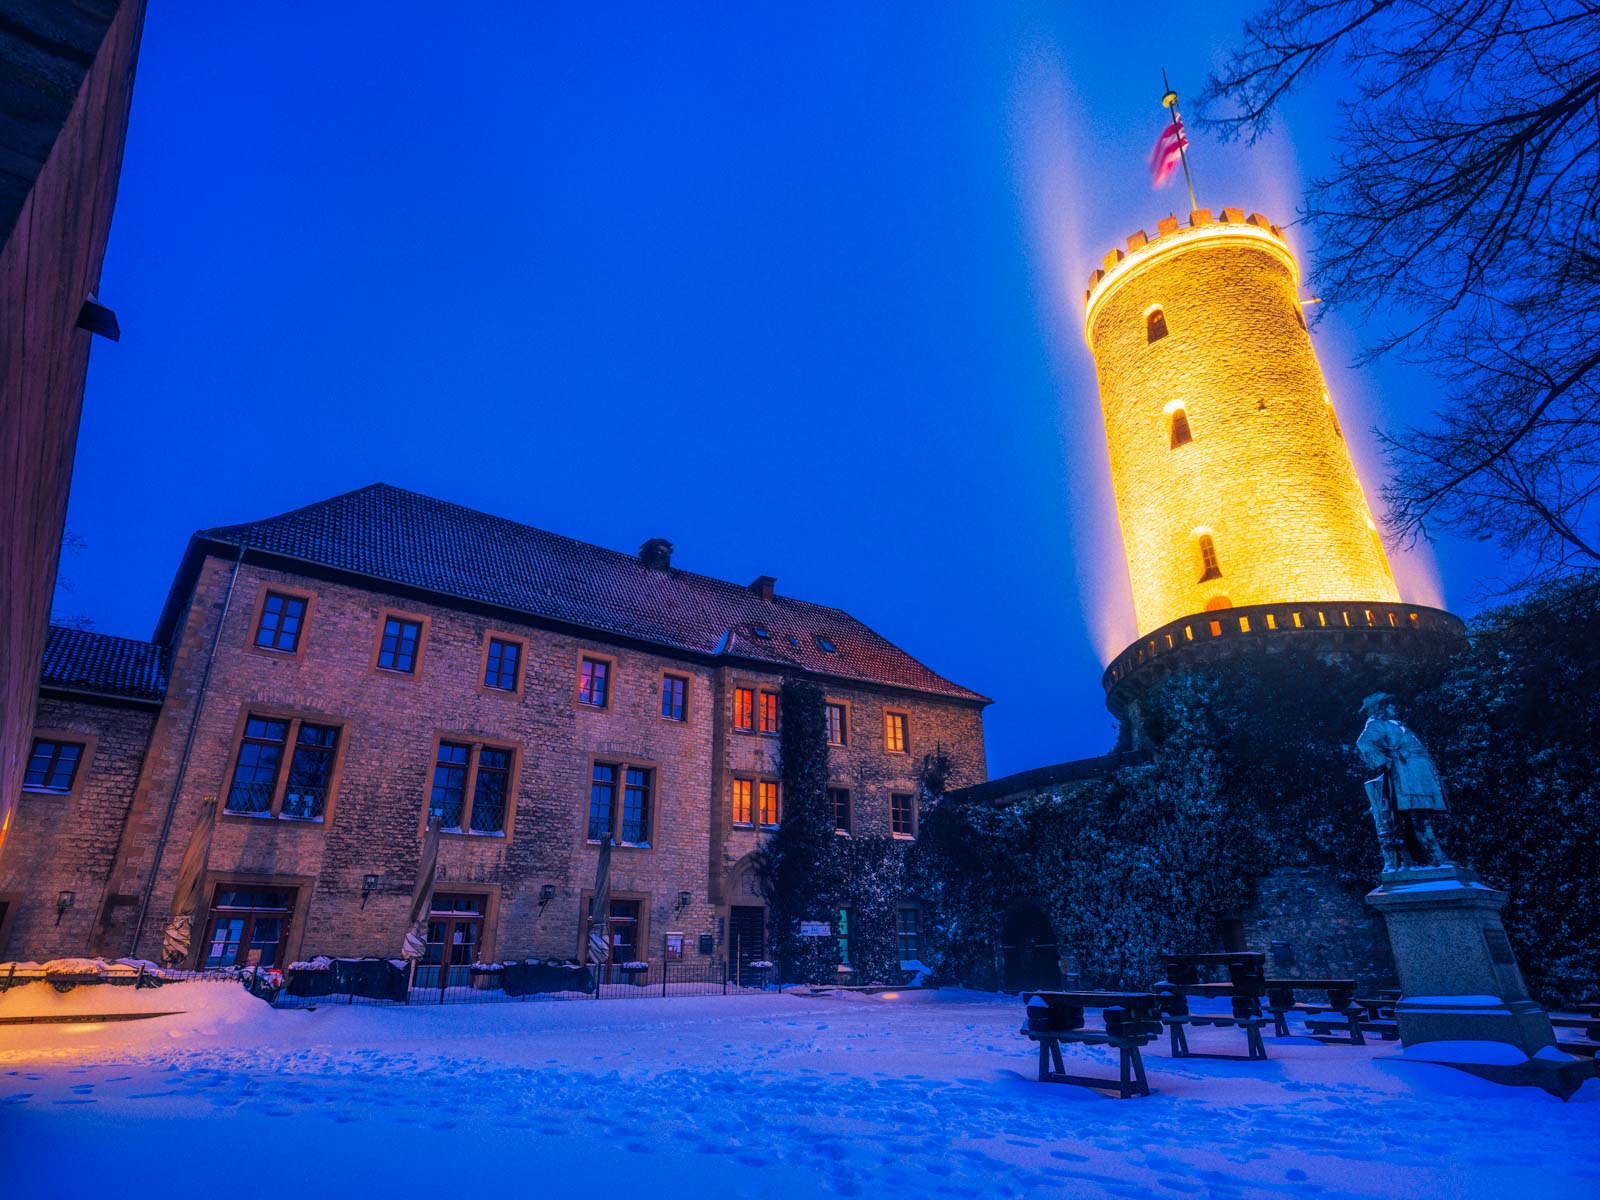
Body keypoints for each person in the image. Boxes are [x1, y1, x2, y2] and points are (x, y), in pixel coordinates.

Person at [1355, 693, 1450, 871]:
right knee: (1417, 814)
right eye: (1389, 705)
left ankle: (1428, 857)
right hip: (1405, 775)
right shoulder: (1376, 724)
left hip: (1418, 773)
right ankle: (1435, 857)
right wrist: (1383, 761)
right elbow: (1363, 743)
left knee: (1422, 814)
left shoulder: (1396, 724)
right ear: (1381, 707)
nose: (1394, 708)